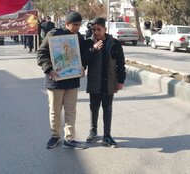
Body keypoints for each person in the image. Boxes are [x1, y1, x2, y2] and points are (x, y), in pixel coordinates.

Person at [37, 11, 87, 150]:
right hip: (55, 81)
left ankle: (69, 139)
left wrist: (83, 67)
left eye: (79, 25)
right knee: (55, 111)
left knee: (71, 110)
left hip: (72, 81)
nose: (77, 27)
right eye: (75, 25)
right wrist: (49, 69)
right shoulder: (53, 35)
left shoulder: (79, 38)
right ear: (67, 24)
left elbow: (81, 57)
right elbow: (41, 54)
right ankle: (55, 136)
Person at [82, 17, 126, 147]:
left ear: (105, 29)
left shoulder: (114, 43)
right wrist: (93, 49)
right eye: (94, 30)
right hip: (94, 82)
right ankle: (93, 131)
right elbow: (83, 61)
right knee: (93, 107)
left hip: (109, 83)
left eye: (99, 29)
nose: (96, 32)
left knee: (107, 108)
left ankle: (107, 136)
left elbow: (121, 64)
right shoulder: (88, 43)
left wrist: (120, 81)